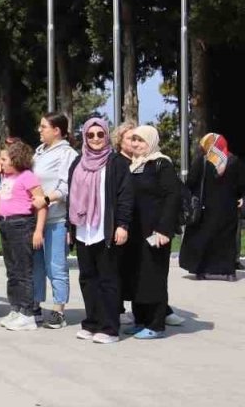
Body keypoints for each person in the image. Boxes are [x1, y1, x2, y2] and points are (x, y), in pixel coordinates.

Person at [67, 118, 133, 344]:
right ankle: (92, 322)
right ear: (85, 137)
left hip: (106, 230)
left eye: (100, 134)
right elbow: (71, 198)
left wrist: (122, 225)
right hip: (83, 230)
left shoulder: (116, 163)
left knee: (108, 279)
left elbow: (125, 196)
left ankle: (110, 328)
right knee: (87, 278)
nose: (95, 139)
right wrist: (70, 227)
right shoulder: (77, 162)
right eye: (90, 135)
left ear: (106, 136)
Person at [119, 125, 182, 339]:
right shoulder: (134, 165)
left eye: (141, 141)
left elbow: (172, 197)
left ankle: (156, 324)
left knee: (153, 276)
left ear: (151, 142)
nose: (135, 144)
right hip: (135, 232)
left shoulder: (161, 164)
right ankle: (141, 320)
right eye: (133, 140)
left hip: (155, 232)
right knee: (136, 275)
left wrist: (164, 229)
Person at [31, 112, 77, 329]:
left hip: (55, 218)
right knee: (36, 265)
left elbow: (67, 186)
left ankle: (59, 310)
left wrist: (46, 199)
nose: (39, 130)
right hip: (34, 219)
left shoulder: (66, 154)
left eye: (43, 127)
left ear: (57, 130)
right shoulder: (39, 152)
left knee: (55, 265)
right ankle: (35, 305)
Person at [0, 140, 48, 332]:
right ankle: (15, 308)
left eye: (5, 159)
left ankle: (28, 314)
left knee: (23, 271)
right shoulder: (6, 176)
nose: (2, 162)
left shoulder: (27, 177)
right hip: (5, 224)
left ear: (16, 160)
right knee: (12, 271)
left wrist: (38, 231)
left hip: (21, 225)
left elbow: (42, 205)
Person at [180, 133, 243, 280]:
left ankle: (201, 270)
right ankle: (228, 272)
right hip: (228, 209)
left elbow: (190, 182)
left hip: (205, 208)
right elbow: (240, 185)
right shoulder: (233, 161)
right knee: (226, 240)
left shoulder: (202, 161)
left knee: (203, 238)